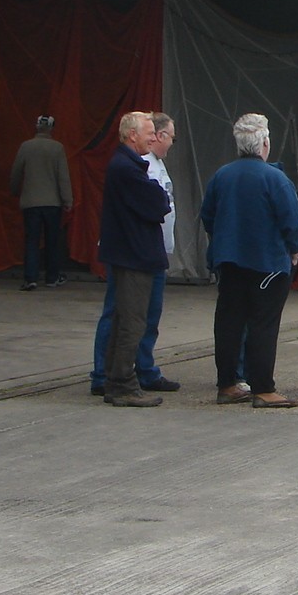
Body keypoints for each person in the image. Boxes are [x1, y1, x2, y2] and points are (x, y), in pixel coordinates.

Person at [201, 113, 298, 408]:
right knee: (263, 324)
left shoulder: (221, 175)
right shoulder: (275, 178)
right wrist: (294, 249)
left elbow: (207, 215)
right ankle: (263, 387)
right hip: (267, 262)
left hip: (229, 259)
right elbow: (291, 221)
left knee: (228, 322)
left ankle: (227, 383)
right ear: (265, 143)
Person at [90, 111, 180, 397]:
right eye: (149, 132)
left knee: (129, 318)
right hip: (134, 255)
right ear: (132, 135)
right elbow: (156, 203)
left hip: (138, 253)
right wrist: (156, 196)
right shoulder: (128, 168)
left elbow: (156, 199)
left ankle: (120, 378)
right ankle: (119, 381)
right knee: (130, 320)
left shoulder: (134, 165)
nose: (154, 138)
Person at [10, 114, 72, 291]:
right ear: (52, 128)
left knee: (32, 241)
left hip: (31, 201)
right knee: (52, 241)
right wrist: (67, 199)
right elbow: (63, 177)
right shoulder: (57, 148)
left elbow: (16, 172)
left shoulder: (26, 147)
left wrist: (14, 190)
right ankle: (52, 277)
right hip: (52, 203)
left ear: (36, 127)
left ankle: (31, 278)